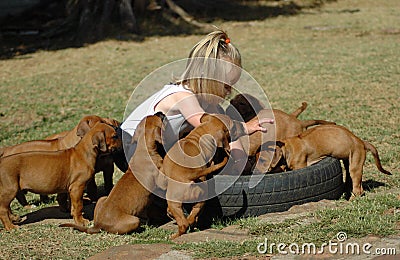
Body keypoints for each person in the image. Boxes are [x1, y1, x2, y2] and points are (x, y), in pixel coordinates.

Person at [121, 29, 273, 173]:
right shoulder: (183, 97)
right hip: (130, 146)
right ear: (205, 76)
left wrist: (241, 162)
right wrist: (244, 127)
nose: (229, 92)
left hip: (155, 147)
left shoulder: (210, 105)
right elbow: (206, 125)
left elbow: (227, 133)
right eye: (226, 86)